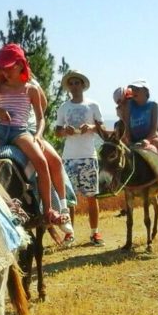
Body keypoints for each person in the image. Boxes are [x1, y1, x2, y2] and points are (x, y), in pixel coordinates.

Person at [0, 51, 75, 242]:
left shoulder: (31, 87)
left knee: (51, 160)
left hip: (25, 129)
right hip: (0, 130)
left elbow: (41, 111)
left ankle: (58, 207)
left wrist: (36, 133)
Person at [55, 70, 105, 246]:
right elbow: (57, 131)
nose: (74, 86)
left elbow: (101, 128)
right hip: (69, 157)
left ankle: (95, 233)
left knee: (92, 196)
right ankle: (70, 233)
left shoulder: (93, 105)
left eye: (77, 83)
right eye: (71, 83)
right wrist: (64, 131)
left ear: (83, 85)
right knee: (69, 199)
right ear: (68, 87)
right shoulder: (63, 107)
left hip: (88, 156)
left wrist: (90, 127)